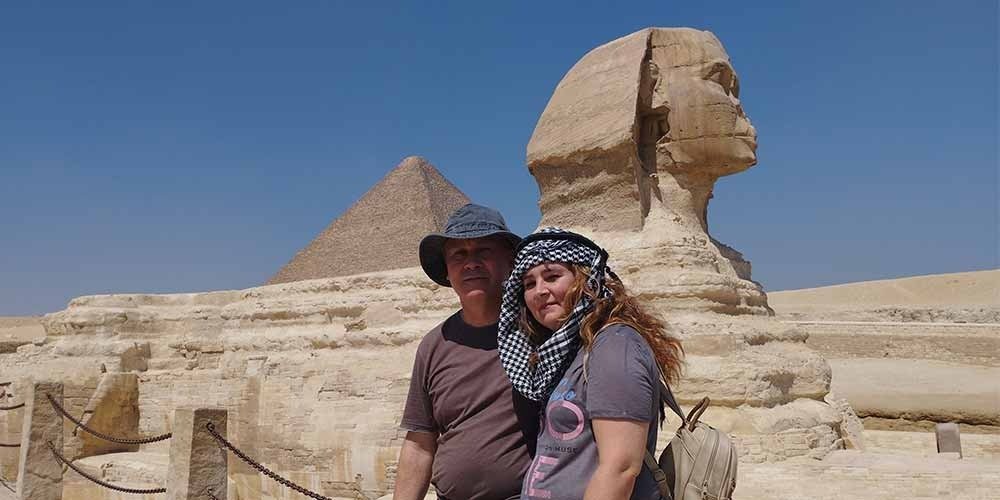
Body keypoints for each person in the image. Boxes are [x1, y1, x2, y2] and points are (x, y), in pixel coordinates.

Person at [497, 227, 684, 500]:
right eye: (529, 283)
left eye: (552, 276)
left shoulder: (614, 345)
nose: (540, 291)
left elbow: (620, 468)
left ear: (586, 280)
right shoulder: (567, 353)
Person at [394, 203, 541, 500]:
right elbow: (420, 442)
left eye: (483, 251)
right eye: (459, 255)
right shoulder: (434, 345)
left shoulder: (541, 334)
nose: (470, 263)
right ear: (447, 271)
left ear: (511, 260)